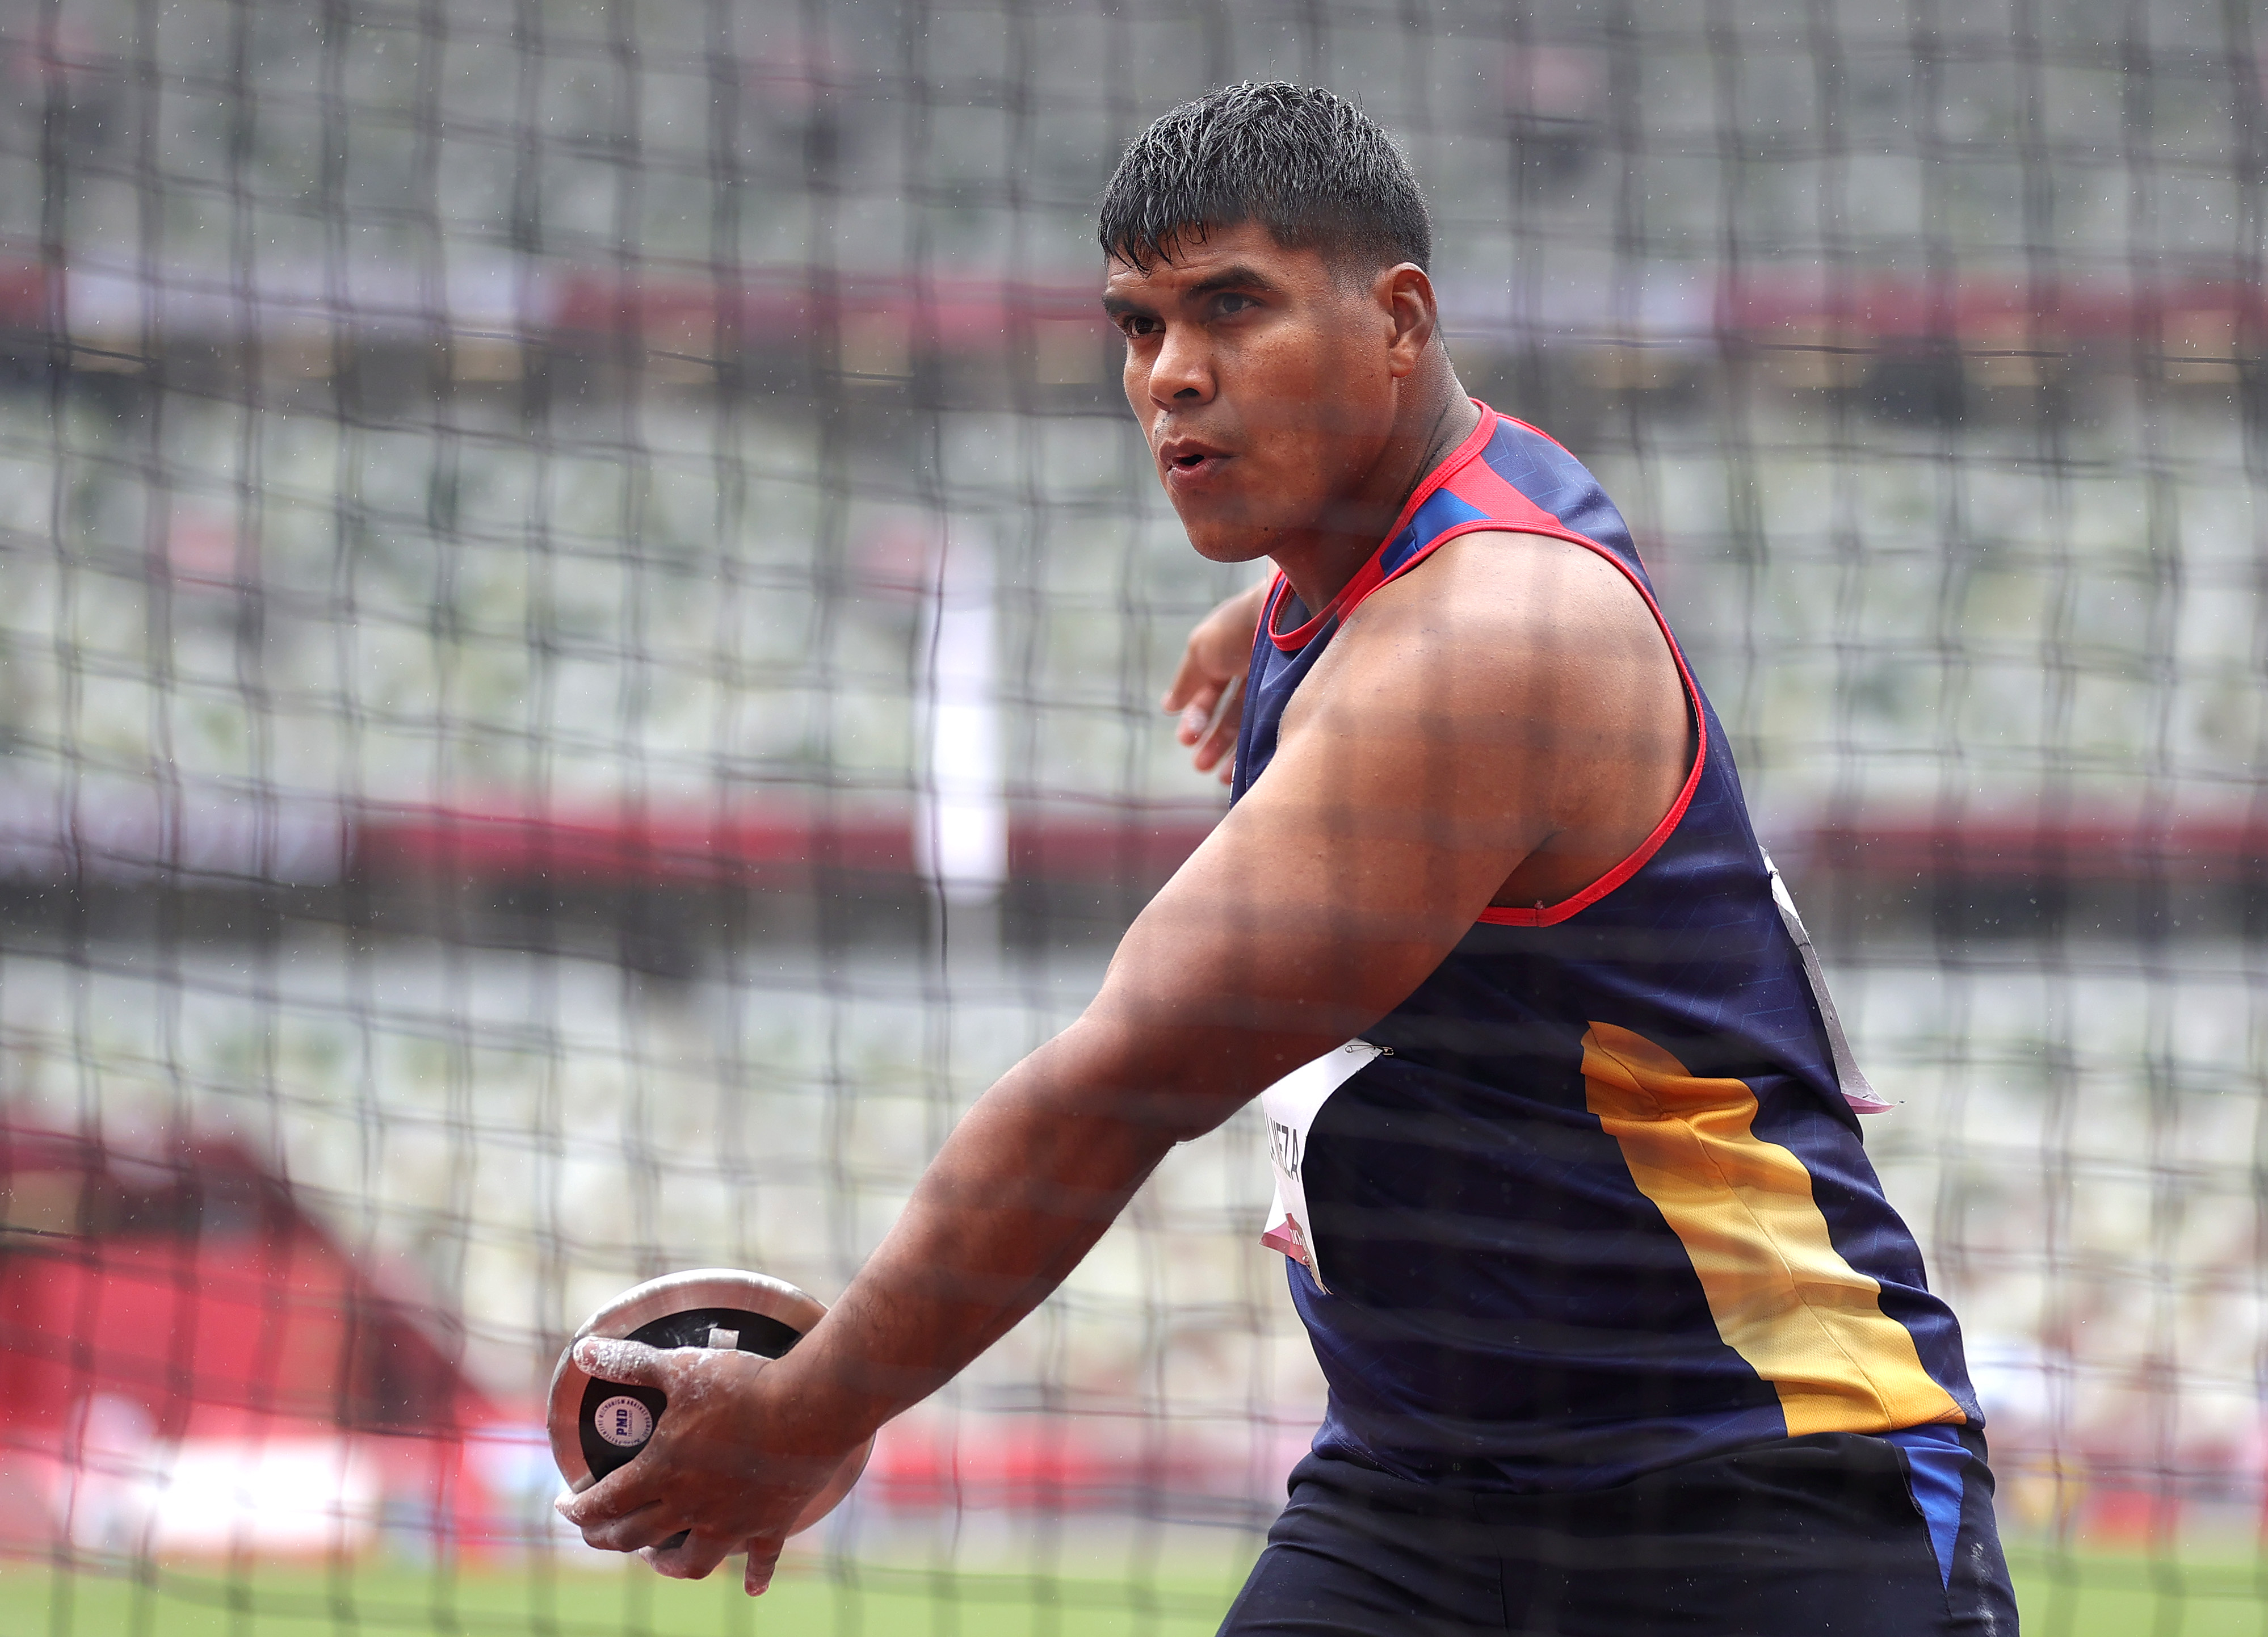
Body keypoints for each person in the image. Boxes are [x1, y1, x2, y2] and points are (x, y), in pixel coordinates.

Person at [557, 81, 2018, 1635]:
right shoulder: (1402, 537)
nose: (1172, 374)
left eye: (1231, 308)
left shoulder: (1483, 647)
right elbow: (1427, 552)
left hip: (1758, 1486)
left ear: (1399, 321)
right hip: (1423, 1489)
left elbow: (1123, 1082)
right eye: (1136, 326)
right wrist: (1278, 604)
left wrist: (814, 1406)